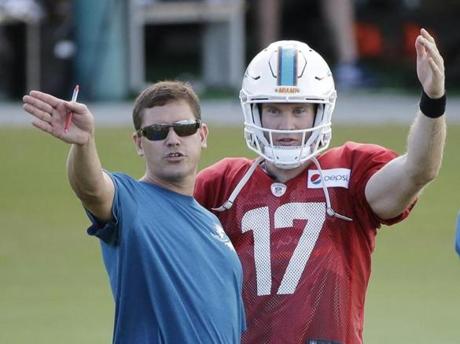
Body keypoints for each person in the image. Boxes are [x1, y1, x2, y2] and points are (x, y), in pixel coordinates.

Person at [194, 28, 446, 344]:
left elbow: (418, 170)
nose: (287, 126)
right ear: (254, 110)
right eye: (274, 110)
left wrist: (433, 99)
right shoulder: (223, 184)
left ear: (319, 111)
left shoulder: (351, 170)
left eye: (299, 110)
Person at [22, 81, 246, 343]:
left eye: (184, 128)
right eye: (157, 132)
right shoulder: (132, 204)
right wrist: (84, 144)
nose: (173, 140)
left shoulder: (212, 223)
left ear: (202, 135)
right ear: (139, 142)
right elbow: (92, 188)